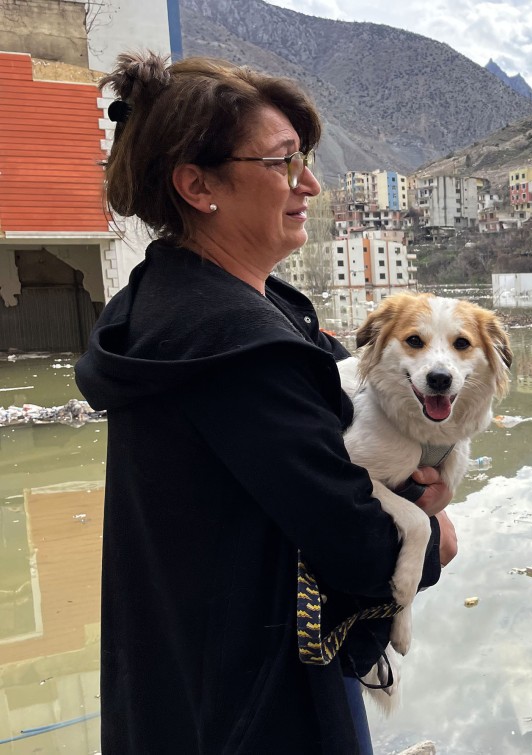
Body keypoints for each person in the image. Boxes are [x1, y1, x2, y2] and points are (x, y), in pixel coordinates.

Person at [74, 52, 455, 754]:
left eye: (303, 158)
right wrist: (434, 541)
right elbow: (359, 546)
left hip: (183, 673)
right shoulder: (233, 345)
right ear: (197, 185)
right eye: (281, 163)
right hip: (260, 698)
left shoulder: (178, 299)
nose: (309, 183)